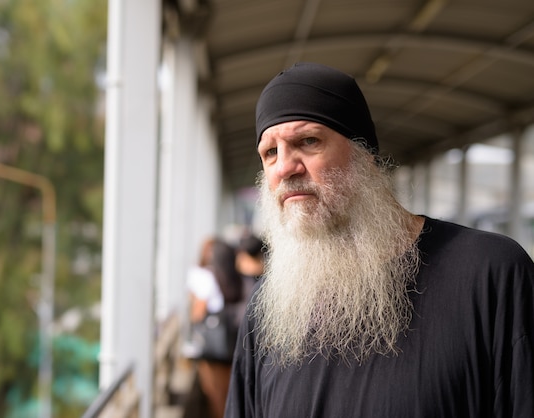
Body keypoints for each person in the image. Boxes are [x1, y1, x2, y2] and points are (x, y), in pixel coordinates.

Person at [224, 62, 534, 417]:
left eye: (308, 141)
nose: (284, 167)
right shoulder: (267, 310)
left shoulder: (489, 273)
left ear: (364, 155)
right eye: (270, 153)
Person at [187, 237, 244, 418]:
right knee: (229, 392)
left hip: (212, 348)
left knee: (215, 395)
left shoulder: (206, 277)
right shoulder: (235, 277)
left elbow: (198, 312)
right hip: (231, 342)